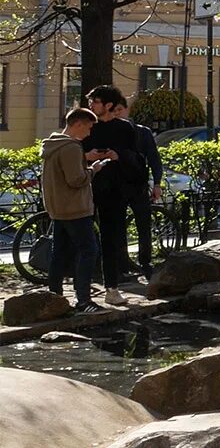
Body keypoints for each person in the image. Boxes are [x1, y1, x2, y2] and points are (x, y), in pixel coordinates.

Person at [43, 108, 109, 313]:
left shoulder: (52, 145)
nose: (89, 133)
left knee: (59, 254)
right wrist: (93, 170)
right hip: (75, 209)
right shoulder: (71, 147)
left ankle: (55, 297)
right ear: (78, 124)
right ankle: (83, 300)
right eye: (88, 127)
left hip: (58, 208)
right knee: (89, 251)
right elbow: (76, 180)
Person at [82, 85, 139, 306]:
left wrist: (119, 155)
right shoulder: (86, 125)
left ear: (108, 105)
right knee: (81, 239)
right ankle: (79, 289)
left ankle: (111, 287)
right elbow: (73, 149)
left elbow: (135, 157)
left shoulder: (125, 128)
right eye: (90, 101)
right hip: (86, 188)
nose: (91, 105)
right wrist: (87, 156)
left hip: (114, 190)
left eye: (95, 102)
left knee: (110, 240)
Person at [113, 99, 163, 279]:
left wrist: (157, 183)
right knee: (117, 228)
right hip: (116, 186)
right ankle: (122, 265)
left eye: (119, 109)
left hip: (138, 185)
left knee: (144, 225)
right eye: (113, 110)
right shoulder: (110, 132)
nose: (117, 113)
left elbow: (154, 159)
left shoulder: (142, 132)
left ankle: (145, 262)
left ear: (127, 110)